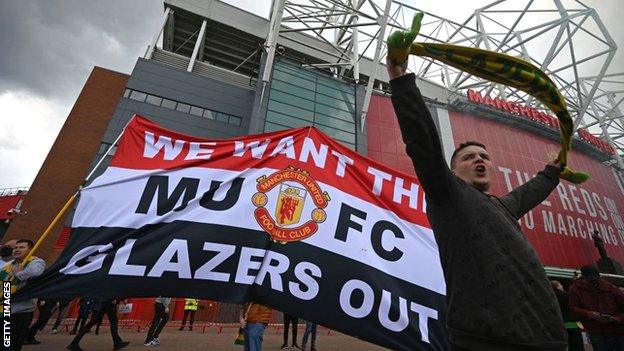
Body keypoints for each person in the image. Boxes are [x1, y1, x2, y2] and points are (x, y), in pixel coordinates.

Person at [386, 58, 568, 350]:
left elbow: (532, 190)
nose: (479, 159)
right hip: (485, 341)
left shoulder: (503, 206)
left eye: (483, 156)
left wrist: (553, 170)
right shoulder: (448, 195)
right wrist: (400, 80)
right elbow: (423, 143)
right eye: (469, 157)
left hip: (548, 341)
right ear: (452, 172)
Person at [0, 239, 46, 351]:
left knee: (11, 344)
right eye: (15, 248)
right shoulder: (9, 266)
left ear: (31, 249)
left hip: (19, 312)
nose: (17, 250)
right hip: (4, 309)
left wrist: (19, 273)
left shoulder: (36, 262)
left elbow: (35, 273)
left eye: (21, 247)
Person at [569, 265, 624, 351]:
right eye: (591, 280)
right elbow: (572, 308)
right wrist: (589, 314)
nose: (594, 282)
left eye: (596, 279)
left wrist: (616, 319)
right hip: (597, 332)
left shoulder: (610, 288)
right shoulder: (576, 289)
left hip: (616, 330)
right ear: (584, 278)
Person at [551, 280, 584, 351]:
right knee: (576, 346)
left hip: (556, 326)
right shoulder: (567, 295)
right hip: (572, 325)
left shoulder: (549, 297)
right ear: (557, 286)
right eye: (560, 285)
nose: (562, 286)